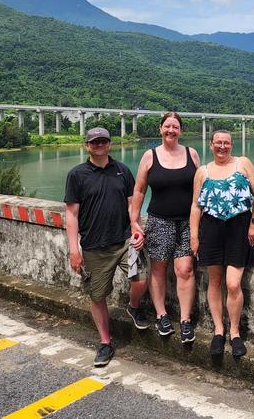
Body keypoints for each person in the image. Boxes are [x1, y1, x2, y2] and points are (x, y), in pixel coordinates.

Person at [64, 127, 149, 367]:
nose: (99, 145)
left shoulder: (122, 170)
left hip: (123, 241)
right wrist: (74, 250)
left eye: (103, 141)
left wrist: (136, 229)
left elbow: (132, 205)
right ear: (87, 146)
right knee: (98, 295)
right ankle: (105, 342)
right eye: (95, 142)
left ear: (109, 144)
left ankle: (133, 307)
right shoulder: (77, 174)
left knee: (140, 278)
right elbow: (72, 214)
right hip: (93, 246)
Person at [190, 129, 254, 357]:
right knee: (214, 281)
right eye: (218, 143)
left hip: (239, 228)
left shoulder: (243, 163)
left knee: (233, 284)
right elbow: (195, 206)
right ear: (211, 145)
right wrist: (194, 236)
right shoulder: (203, 171)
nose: (223, 147)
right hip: (211, 229)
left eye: (227, 143)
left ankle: (235, 331)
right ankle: (218, 331)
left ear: (232, 145)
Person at [130, 112, 201, 343]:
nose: (171, 130)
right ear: (160, 128)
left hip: (187, 222)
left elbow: (202, 187)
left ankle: (185, 320)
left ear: (181, 130)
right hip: (159, 221)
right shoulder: (150, 156)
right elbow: (139, 191)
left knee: (185, 270)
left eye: (176, 127)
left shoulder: (192, 154)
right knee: (158, 270)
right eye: (167, 126)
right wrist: (135, 222)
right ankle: (161, 315)